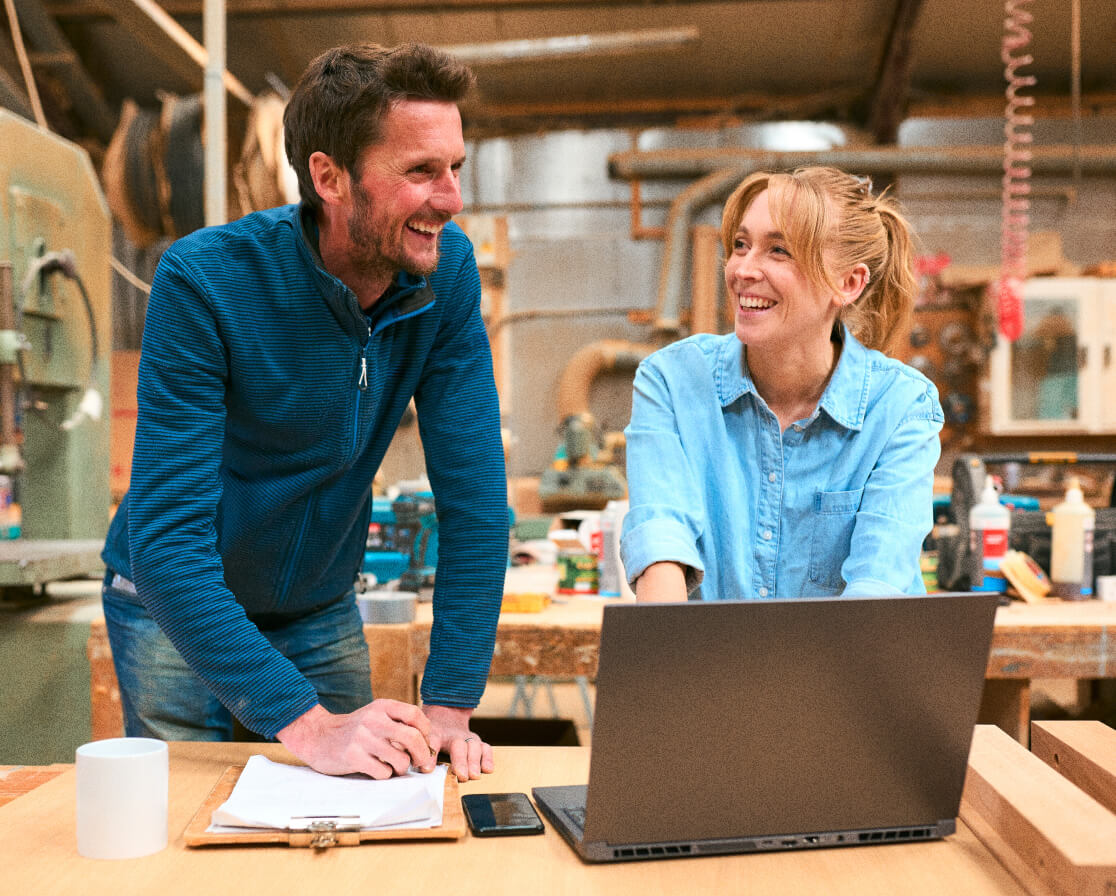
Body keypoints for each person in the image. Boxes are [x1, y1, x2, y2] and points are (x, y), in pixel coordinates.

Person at [100, 43, 508, 782]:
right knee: (181, 836)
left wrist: (449, 706)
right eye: (420, 172)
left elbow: (477, 506)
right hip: (173, 609)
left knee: (356, 821)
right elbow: (165, 543)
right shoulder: (204, 282)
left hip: (318, 610)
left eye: (455, 169)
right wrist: (312, 726)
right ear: (329, 177)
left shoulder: (445, 276)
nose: (450, 200)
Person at [621, 166, 944, 603]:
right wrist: (671, 663)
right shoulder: (672, 382)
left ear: (848, 283)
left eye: (778, 251)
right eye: (740, 245)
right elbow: (661, 540)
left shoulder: (902, 407)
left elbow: (876, 591)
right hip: (706, 665)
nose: (743, 270)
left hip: (848, 666)